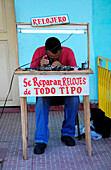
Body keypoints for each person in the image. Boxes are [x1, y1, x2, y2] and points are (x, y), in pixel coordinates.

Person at [30, 37, 80, 154]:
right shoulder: (38, 52)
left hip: (64, 92)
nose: (53, 60)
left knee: (74, 99)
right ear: (46, 51)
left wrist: (62, 66)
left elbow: (76, 72)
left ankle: (67, 134)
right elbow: (30, 73)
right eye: (51, 58)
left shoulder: (68, 52)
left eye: (56, 58)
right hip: (46, 92)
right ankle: (41, 140)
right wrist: (40, 67)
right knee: (41, 100)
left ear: (61, 50)